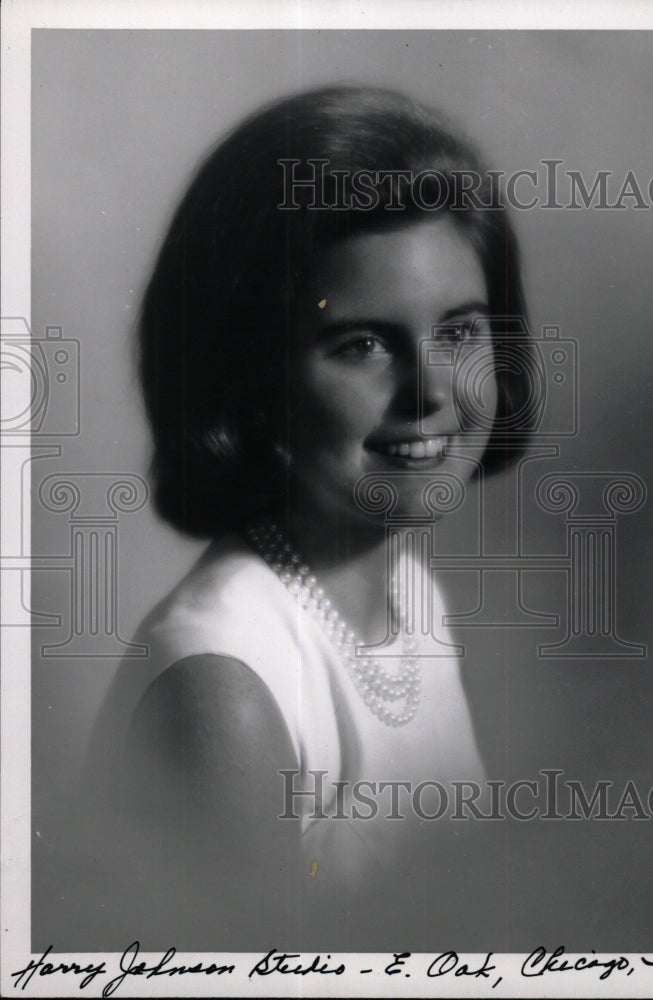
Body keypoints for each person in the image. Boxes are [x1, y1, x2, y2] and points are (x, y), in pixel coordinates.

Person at [71, 85, 536, 953]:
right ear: (248, 381)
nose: (432, 392)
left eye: (461, 332)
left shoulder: (413, 601)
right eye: (360, 344)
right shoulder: (226, 688)